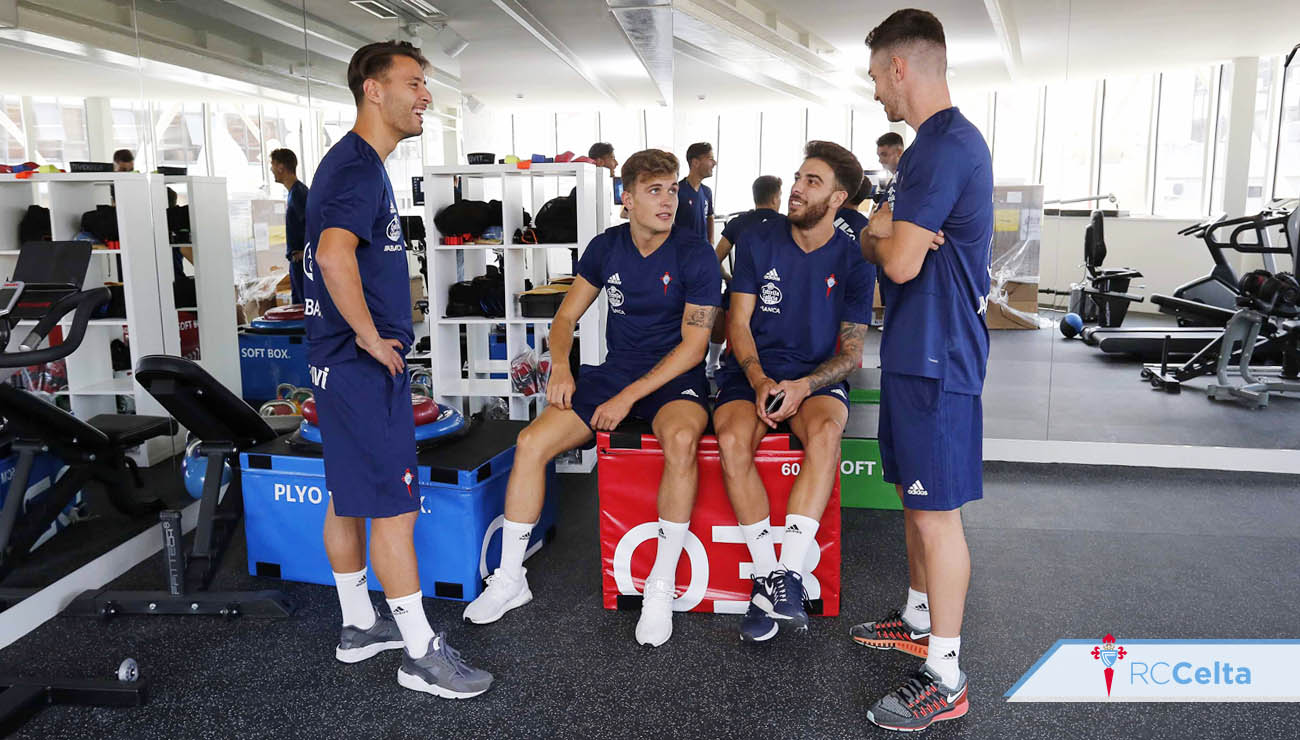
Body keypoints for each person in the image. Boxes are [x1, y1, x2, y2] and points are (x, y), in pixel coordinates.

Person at [462, 149, 721, 649]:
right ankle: (510, 578)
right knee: (533, 442)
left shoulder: (695, 253)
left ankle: (660, 587)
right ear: (627, 200)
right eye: (654, 191)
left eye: (671, 190)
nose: (668, 200)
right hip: (617, 372)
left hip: (672, 378)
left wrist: (627, 398)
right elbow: (563, 319)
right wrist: (561, 365)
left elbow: (694, 347)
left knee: (683, 439)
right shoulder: (607, 247)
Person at [305, 40, 493, 699]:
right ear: (372, 90)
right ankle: (419, 652)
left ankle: (359, 624)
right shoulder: (356, 168)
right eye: (414, 82)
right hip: (357, 365)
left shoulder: (352, 165)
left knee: (349, 497)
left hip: (336, 364)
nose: (426, 96)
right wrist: (371, 337)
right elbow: (334, 258)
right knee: (393, 510)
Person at [852, 9, 992, 732]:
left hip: (940, 357)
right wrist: (888, 229)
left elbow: (898, 258)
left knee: (937, 515)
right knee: (915, 499)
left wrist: (880, 236)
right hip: (916, 349)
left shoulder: (942, 147)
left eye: (877, 75)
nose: (876, 90)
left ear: (901, 67)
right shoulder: (928, 149)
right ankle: (916, 615)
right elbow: (900, 241)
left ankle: (946, 672)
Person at [713, 141, 873, 644]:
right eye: (798, 178)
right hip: (751, 372)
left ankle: (782, 580)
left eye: (812, 182)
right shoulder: (759, 242)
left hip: (814, 376)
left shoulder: (854, 259)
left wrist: (804, 386)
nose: (797, 190)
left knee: (826, 432)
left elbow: (851, 354)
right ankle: (775, 577)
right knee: (733, 438)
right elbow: (737, 323)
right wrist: (760, 380)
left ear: (838, 198)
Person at [708, 175, 784, 375]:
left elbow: (715, 258)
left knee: (721, 313)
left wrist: (727, 277)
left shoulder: (738, 222)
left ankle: (712, 364)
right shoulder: (788, 224)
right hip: (776, 290)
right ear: (776, 198)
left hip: (740, 288)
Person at [271, 148, 310, 305]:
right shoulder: (294, 193)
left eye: (272, 165)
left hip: (302, 264)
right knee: (297, 308)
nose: (271, 169)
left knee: (302, 309)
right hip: (296, 263)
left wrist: (306, 252)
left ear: (281, 167)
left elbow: (313, 225)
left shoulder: (299, 194)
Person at [675, 142, 716, 242]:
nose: (714, 163)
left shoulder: (707, 192)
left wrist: (710, 244)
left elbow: (710, 217)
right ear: (695, 162)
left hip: (702, 252)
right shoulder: (677, 191)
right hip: (683, 252)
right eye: (710, 159)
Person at [873, 132, 905, 208]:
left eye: (884, 155)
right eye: (879, 156)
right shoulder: (893, 181)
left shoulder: (907, 178)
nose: (880, 160)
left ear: (899, 152)